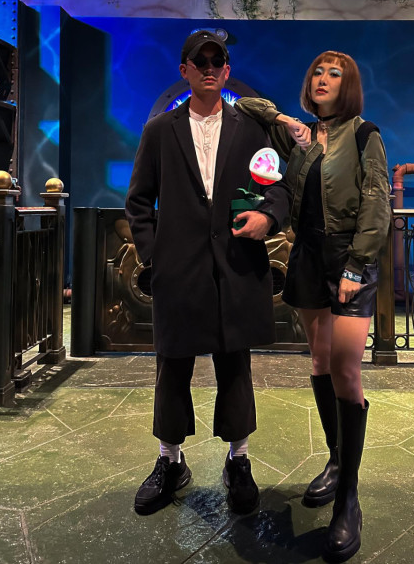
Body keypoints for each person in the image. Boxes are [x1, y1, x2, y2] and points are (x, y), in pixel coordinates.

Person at [125, 30, 291, 517]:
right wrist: (155, 255)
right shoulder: (160, 131)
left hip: (236, 266)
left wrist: (269, 218)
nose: (210, 68)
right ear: (185, 71)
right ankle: (169, 461)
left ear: (226, 69)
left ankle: (239, 460)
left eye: (218, 61)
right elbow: (138, 201)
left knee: (235, 365)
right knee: (172, 366)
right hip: (179, 271)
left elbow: (277, 189)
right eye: (201, 61)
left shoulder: (251, 129)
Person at [235, 51, 391, 563]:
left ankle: (349, 498)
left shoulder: (365, 135)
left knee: (346, 369)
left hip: (348, 258)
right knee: (320, 363)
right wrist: (286, 120)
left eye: (335, 74)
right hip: (306, 255)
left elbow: (377, 202)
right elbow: (247, 104)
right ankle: (335, 459)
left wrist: (356, 266)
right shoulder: (300, 137)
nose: (323, 79)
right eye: (318, 72)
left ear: (349, 85)